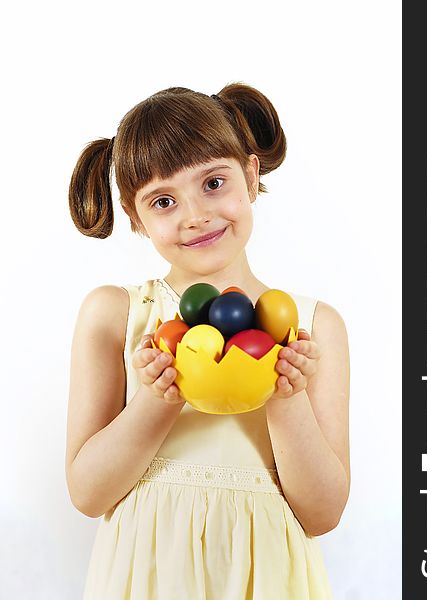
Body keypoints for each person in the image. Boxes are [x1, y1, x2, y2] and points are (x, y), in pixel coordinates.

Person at [66, 82, 350, 599]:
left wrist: (287, 398)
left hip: (265, 578)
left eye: (213, 183)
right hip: (151, 575)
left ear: (250, 174)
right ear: (135, 217)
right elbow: (88, 493)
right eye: (165, 200)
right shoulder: (118, 315)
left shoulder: (310, 327)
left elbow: (323, 512)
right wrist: (155, 399)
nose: (194, 215)